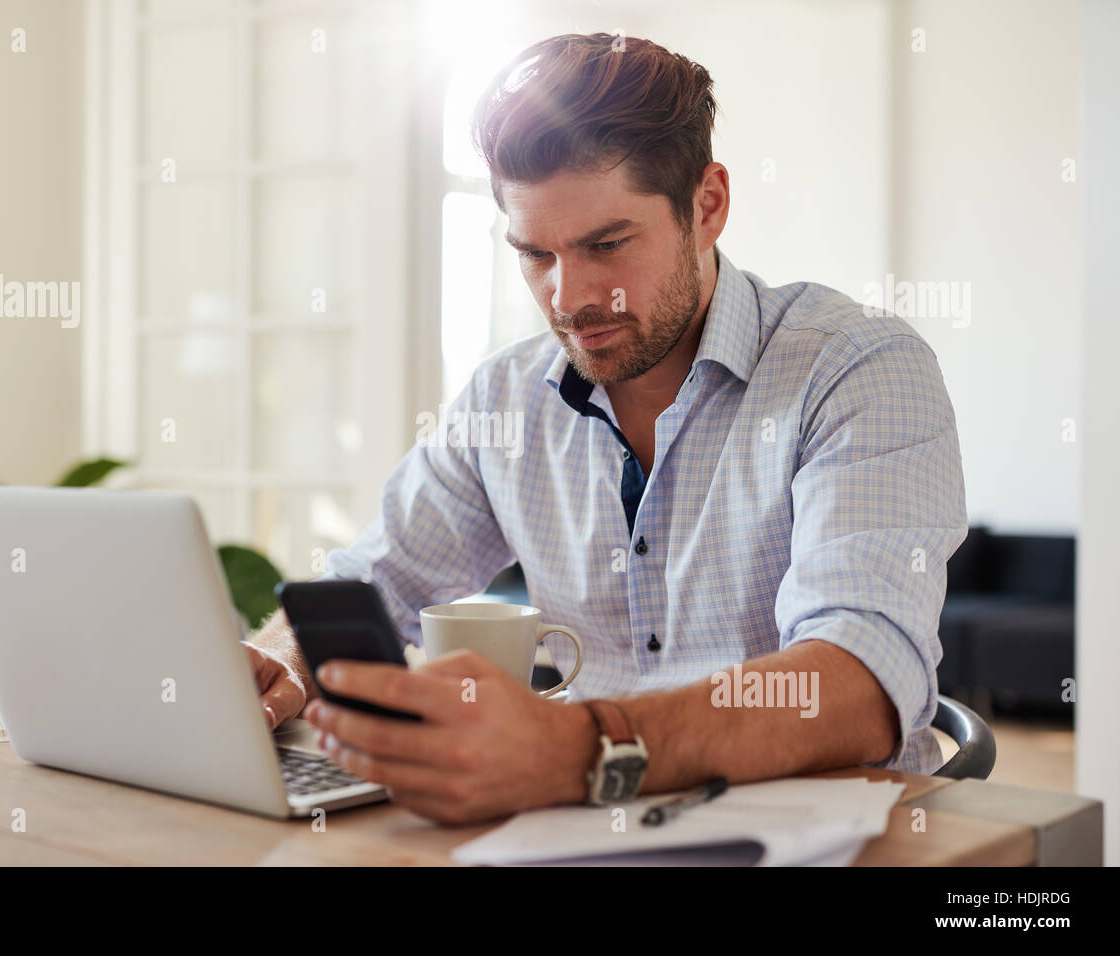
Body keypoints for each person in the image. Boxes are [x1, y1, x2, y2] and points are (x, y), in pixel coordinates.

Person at [242, 32, 967, 826]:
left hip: (824, 838)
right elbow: (373, 585)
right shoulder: (506, 400)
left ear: (708, 205)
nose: (569, 296)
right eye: (534, 254)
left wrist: (574, 746)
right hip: (583, 829)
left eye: (606, 244)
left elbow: (859, 683)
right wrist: (283, 660)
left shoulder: (857, 369)